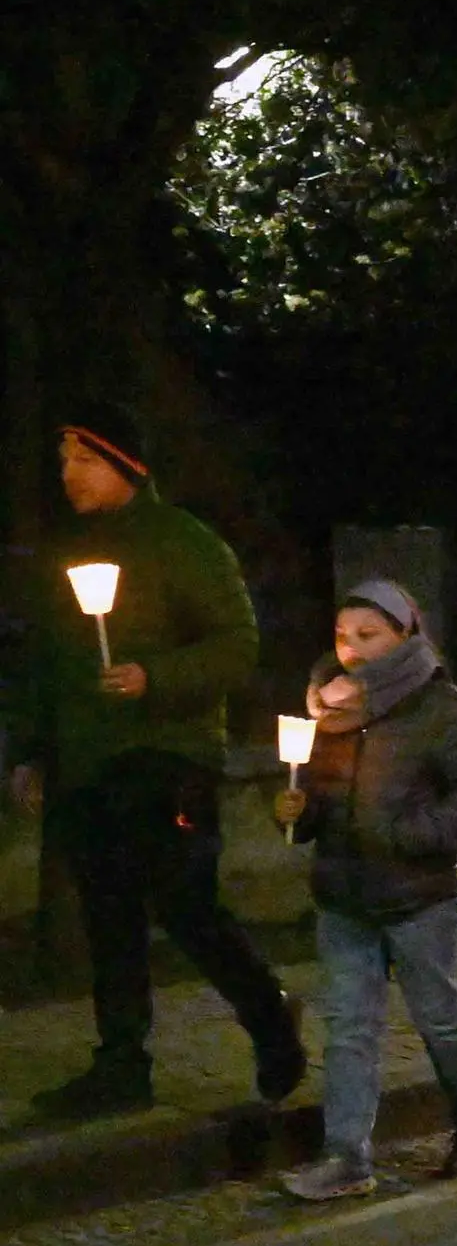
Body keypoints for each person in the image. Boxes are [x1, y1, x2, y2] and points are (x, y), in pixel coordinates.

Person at [10, 408, 306, 1116]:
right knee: (108, 916)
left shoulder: (184, 543)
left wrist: (156, 676)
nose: (67, 475)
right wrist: (31, 752)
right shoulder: (67, 552)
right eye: (61, 463)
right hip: (88, 764)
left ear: (123, 465)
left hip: (167, 753)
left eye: (82, 461)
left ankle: (270, 1021)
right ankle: (121, 1064)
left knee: (185, 904)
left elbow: (236, 644)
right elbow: (46, 665)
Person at [272, 583, 457, 1198]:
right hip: (344, 898)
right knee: (348, 1029)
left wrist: (414, 837)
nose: (351, 651)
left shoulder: (444, 708)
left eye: (368, 636)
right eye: (343, 636)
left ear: (405, 634)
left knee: (439, 1016)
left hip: (418, 895)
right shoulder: (329, 713)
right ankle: (346, 1158)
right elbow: (318, 806)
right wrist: (294, 812)